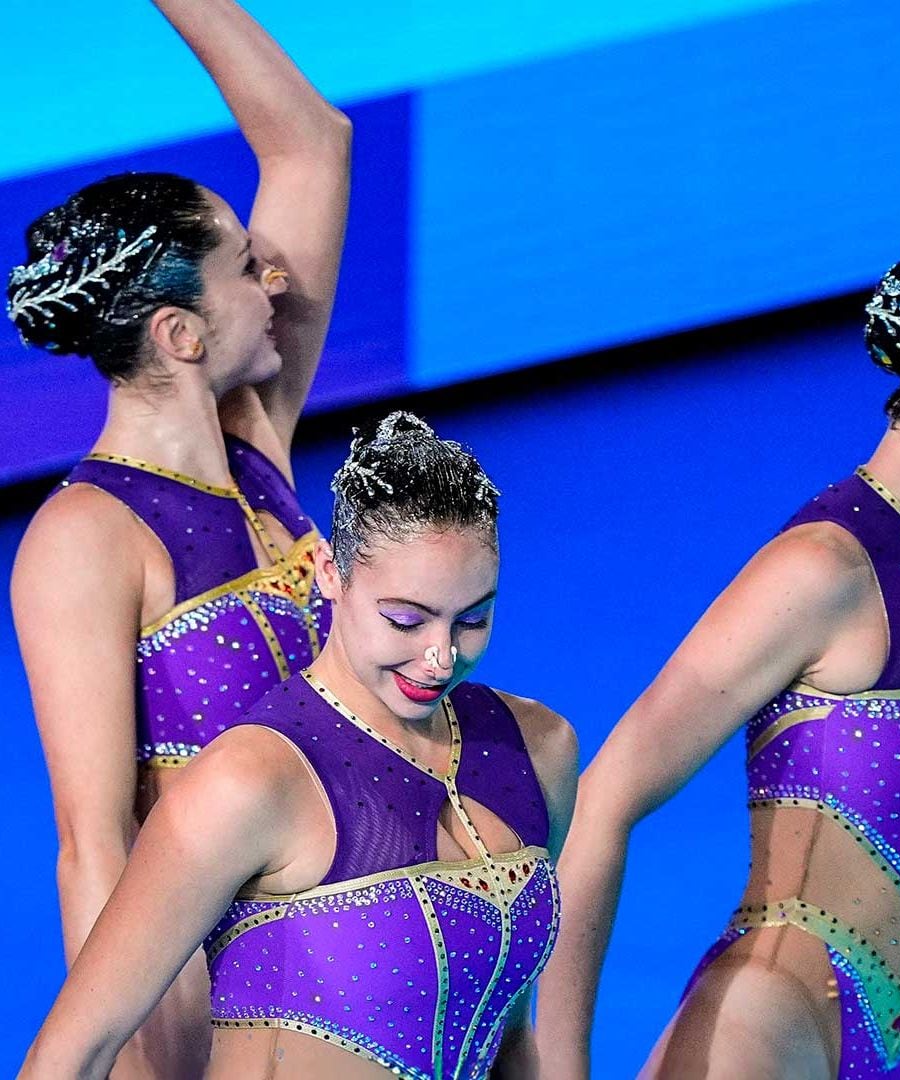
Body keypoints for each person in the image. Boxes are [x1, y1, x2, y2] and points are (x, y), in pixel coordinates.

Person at [536, 221, 900, 1079]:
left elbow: (881, 853)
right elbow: (601, 803)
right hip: (773, 1029)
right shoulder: (820, 569)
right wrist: (555, 1071)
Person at [19, 411, 578, 1080]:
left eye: (473, 618)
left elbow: (510, 1035)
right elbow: (69, 1053)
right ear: (329, 575)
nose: (439, 656)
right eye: (405, 619)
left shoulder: (537, 749)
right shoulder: (249, 783)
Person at [8, 1, 350, 1073]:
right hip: (241, 989)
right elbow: (97, 848)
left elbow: (311, 141)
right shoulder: (84, 539)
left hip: (377, 938)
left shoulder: (260, 445)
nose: (280, 280)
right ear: (181, 332)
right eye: (251, 267)